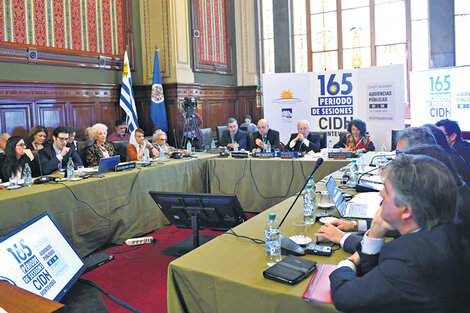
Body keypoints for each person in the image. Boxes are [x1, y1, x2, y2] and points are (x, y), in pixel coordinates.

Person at [329, 155, 470, 313]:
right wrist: (376, 228)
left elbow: (346, 298)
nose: (381, 194)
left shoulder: (410, 258)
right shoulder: (452, 234)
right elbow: (377, 277)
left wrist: (346, 264)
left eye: (387, 191)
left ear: (406, 211)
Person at [316, 144, 470, 251]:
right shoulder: (448, 193)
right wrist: (354, 225)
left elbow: (385, 252)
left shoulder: (458, 207)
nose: (397, 160)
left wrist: (343, 238)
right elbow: (398, 227)